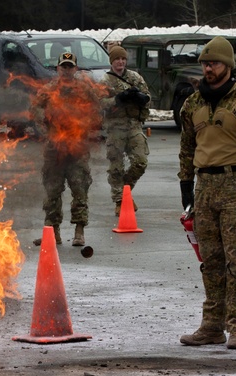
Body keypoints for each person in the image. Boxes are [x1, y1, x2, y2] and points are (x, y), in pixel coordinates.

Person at [177, 36, 236, 350]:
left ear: (227, 66)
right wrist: (185, 183)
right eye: (205, 63)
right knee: (211, 261)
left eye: (214, 63)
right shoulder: (193, 103)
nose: (208, 68)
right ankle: (212, 326)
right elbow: (187, 147)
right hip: (205, 188)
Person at [31, 52, 103, 247]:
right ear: (58, 68)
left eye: (70, 67)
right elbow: (36, 111)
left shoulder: (84, 90)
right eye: (63, 66)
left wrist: (83, 126)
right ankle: (52, 232)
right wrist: (47, 130)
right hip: (54, 149)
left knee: (79, 189)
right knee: (52, 191)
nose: (66, 70)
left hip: (77, 148)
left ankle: (79, 231)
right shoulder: (49, 89)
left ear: (76, 69)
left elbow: (97, 112)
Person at [101, 46, 151, 216]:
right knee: (116, 167)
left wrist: (141, 98)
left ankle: (125, 188)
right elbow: (99, 103)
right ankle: (120, 201)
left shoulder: (134, 77)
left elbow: (147, 97)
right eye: (116, 59)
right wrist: (117, 99)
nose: (120, 62)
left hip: (134, 125)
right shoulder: (105, 81)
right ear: (111, 62)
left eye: (122, 59)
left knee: (140, 161)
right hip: (115, 126)